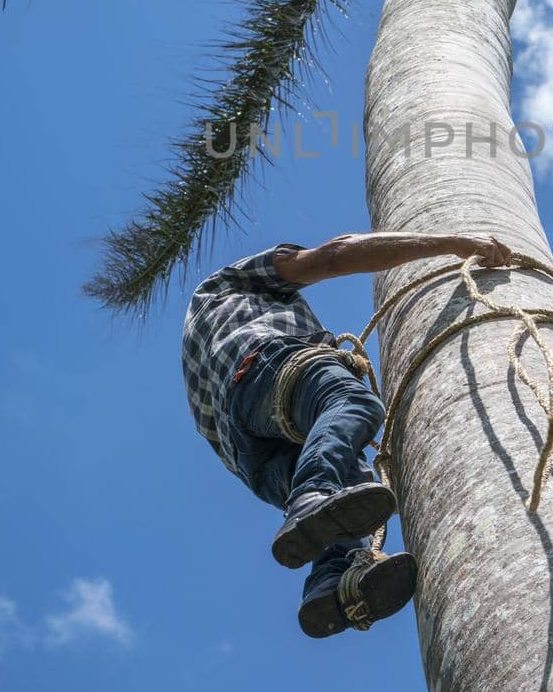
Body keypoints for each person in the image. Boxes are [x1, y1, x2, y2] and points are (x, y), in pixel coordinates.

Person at [182, 230, 513, 638]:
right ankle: (310, 495)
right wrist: (453, 243)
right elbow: (335, 254)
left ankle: (335, 584)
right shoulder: (234, 281)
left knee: (351, 496)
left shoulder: (199, 342)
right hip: (265, 366)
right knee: (352, 403)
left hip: (251, 453)